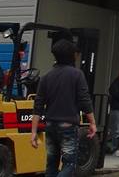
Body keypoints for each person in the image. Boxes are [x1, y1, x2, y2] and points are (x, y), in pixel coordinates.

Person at [30, 39, 98, 177]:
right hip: (68, 126)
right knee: (69, 164)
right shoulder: (77, 74)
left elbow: (38, 106)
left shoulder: (46, 77)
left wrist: (34, 132)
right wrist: (92, 122)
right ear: (71, 55)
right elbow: (85, 101)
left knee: (51, 163)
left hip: (50, 125)